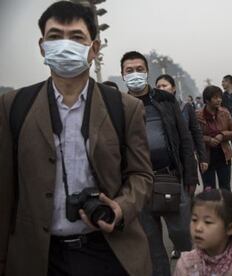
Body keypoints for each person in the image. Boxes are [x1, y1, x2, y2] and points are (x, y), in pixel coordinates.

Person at [0, 2, 154, 276]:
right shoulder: (13, 106)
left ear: (94, 49)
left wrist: (121, 207)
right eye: (55, 37)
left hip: (107, 250)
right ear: (42, 46)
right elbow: (5, 189)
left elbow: (141, 174)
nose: (64, 45)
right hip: (39, 257)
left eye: (77, 37)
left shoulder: (125, 108)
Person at [121, 51, 198, 276]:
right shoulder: (119, 104)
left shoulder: (165, 99)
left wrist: (190, 176)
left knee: (183, 235)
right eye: (129, 70)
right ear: (122, 74)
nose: (134, 74)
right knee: (152, 246)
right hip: (138, 184)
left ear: (147, 71)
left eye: (139, 69)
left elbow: (184, 138)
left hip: (172, 179)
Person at [155, 74, 208, 259]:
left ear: (173, 88)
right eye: (158, 86)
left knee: (184, 210)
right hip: (167, 171)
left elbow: (194, 133)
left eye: (165, 85)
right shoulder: (154, 110)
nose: (161, 89)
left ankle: (189, 244)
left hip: (185, 164)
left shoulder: (185, 107)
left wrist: (202, 156)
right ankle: (180, 245)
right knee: (172, 213)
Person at [174, 189, 232, 276]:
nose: (198, 228)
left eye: (208, 222)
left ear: (230, 228)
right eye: (194, 219)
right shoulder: (186, 264)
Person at [196, 85, 232, 191]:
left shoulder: (225, 112)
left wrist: (222, 135)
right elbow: (193, 135)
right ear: (207, 100)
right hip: (205, 158)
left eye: (220, 97)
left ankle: (227, 208)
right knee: (209, 190)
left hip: (224, 156)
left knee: (225, 188)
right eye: (215, 97)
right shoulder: (197, 115)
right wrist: (208, 140)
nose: (219, 100)